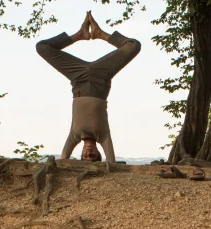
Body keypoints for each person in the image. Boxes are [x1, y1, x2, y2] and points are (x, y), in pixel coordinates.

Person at [36, 12, 141, 162]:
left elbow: (63, 161)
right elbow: (112, 163)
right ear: (99, 153)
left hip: (77, 78)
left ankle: (79, 35)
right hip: (100, 78)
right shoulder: (103, 136)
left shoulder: (74, 135)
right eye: (93, 156)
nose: (89, 153)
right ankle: (100, 34)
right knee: (133, 46)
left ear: (81, 153)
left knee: (42, 47)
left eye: (85, 156)